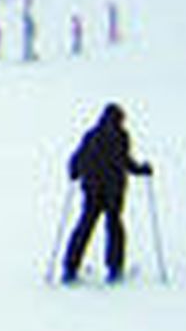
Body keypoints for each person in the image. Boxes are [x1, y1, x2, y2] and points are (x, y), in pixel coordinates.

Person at [60, 104, 154, 284]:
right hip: (113, 191)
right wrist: (142, 170)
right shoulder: (121, 137)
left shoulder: (92, 135)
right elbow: (126, 161)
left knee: (85, 226)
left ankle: (70, 267)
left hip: (92, 189)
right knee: (114, 227)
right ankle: (114, 268)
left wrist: (74, 171)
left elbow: (77, 158)